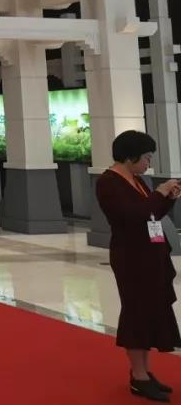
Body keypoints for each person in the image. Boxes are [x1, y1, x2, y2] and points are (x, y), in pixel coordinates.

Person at [96, 129, 181, 401]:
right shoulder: (108, 183)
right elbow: (135, 215)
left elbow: (151, 214)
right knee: (136, 314)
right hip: (131, 258)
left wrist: (168, 199)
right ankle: (138, 375)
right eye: (146, 157)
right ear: (130, 156)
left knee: (149, 313)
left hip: (150, 254)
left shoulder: (136, 180)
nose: (148, 163)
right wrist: (159, 192)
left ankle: (144, 371)